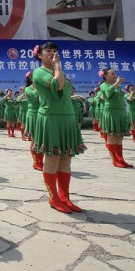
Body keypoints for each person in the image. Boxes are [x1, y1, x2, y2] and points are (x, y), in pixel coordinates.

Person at [32, 42, 86, 214]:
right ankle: (53, 197)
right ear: (39, 55)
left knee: (66, 159)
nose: (53, 53)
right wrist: (57, 66)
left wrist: (57, 68)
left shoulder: (58, 71)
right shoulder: (39, 72)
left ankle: (65, 197)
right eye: (48, 51)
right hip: (50, 118)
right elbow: (59, 86)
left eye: (55, 51)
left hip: (67, 118)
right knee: (53, 158)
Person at [99, 69, 132, 168]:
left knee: (119, 137)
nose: (114, 75)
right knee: (112, 136)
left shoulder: (118, 86)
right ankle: (115, 160)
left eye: (114, 74)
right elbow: (108, 94)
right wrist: (117, 83)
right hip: (111, 113)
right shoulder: (104, 85)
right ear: (105, 75)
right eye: (112, 74)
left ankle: (121, 159)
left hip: (120, 112)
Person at [23, 72, 43, 170]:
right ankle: (36, 162)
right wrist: (39, 87)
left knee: (42, 140)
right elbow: (35, 97)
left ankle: (41, 162)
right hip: (33, 114)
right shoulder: (28, 89)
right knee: (35, 139)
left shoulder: (42, 88)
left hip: (42, 114)